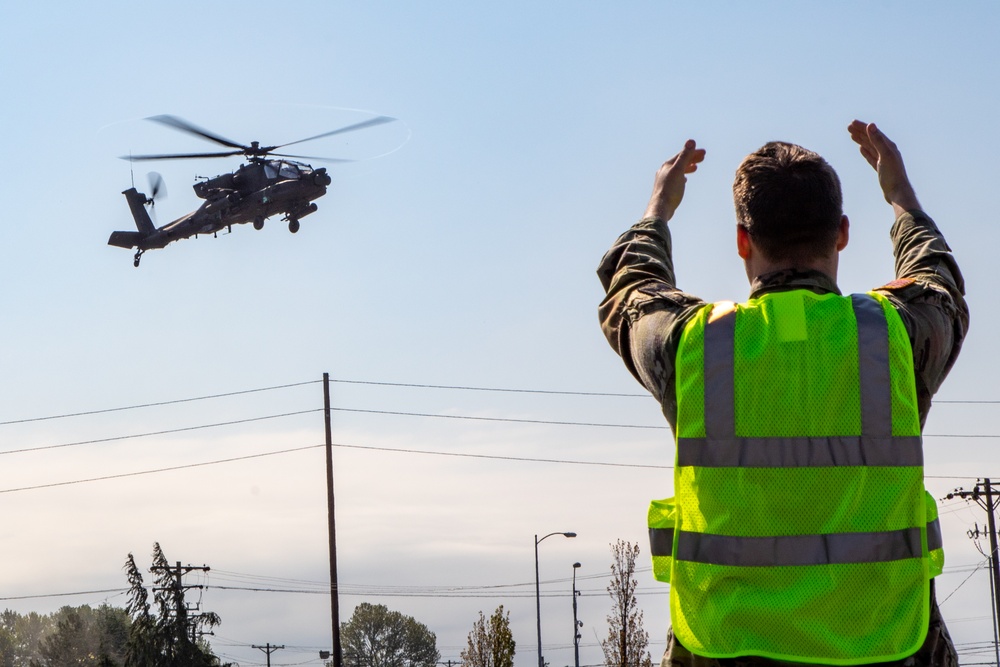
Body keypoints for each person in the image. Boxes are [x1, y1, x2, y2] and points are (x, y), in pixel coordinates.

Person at [597, 121, 968, 666]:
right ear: (841, 232)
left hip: (722, 649)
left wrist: (658, 209)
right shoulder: (895, 337)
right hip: (888, 646)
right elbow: (940, 284)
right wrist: (901, 199)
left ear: (743, 240)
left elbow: (632, 291)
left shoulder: (694, 345)